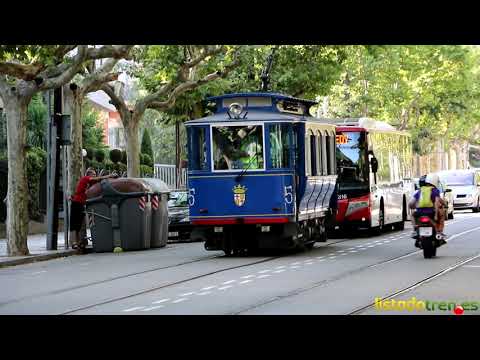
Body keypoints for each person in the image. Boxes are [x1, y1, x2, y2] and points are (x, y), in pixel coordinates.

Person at [69, 168, 117, 251]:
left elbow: (99, 182)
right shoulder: (85, 178)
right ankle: (74, 242)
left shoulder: (90, 183)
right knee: (75, 224)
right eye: (93, 174)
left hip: (81, 203)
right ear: (89, 175)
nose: (95, 176)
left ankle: (78, 242)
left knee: (79, 224)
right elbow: (98, 179)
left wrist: (110, 178)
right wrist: (109, 175)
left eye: (95, 174)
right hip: (76, 203)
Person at [409, 173, 447, 245]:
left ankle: (415, 229)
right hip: (431, 212)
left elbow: (411, 203)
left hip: (420, 212)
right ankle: (439, 232)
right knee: (442, 216)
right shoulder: (435, 190)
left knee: (412, 215)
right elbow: (437, 202)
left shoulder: (420, 191)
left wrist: (413, 207)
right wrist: (436, 213)